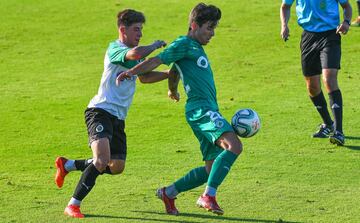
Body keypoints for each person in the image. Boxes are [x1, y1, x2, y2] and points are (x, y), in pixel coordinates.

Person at [116, 3, 242, 216]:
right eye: (209, 27)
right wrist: (132, 73)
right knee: (234, 146)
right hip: (201, 110)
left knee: (211, 169)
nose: (212, 33)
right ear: (194, 25)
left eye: (214, 29)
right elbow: (157, 60)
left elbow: (174, 70)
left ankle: (169, 192)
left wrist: (172, 90)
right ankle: (207, 196)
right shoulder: (184, 43)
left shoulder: (194, 48)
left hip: (206, 108)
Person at [54, 9, 169, 218]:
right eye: (137, 29)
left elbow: (144, 77)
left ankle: (68, 165)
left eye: (141, 30)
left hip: (118, 118)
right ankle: (73, 204)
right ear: (122, 30)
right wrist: (154, 47)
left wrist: (169, 74)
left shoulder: (133, 54)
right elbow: (136, 54)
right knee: (101, 159)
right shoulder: (116, 49)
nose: (140, 34)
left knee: (116, 166)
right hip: (100, 111)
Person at [280, 0, 352, 146]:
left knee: (328, 80)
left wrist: (346, 22)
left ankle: (339, 132)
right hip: (308, 37)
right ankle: (328, 124)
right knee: (312, 86)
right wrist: (284, 25)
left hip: (331, 35)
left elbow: (347, 6)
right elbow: (285, 7)